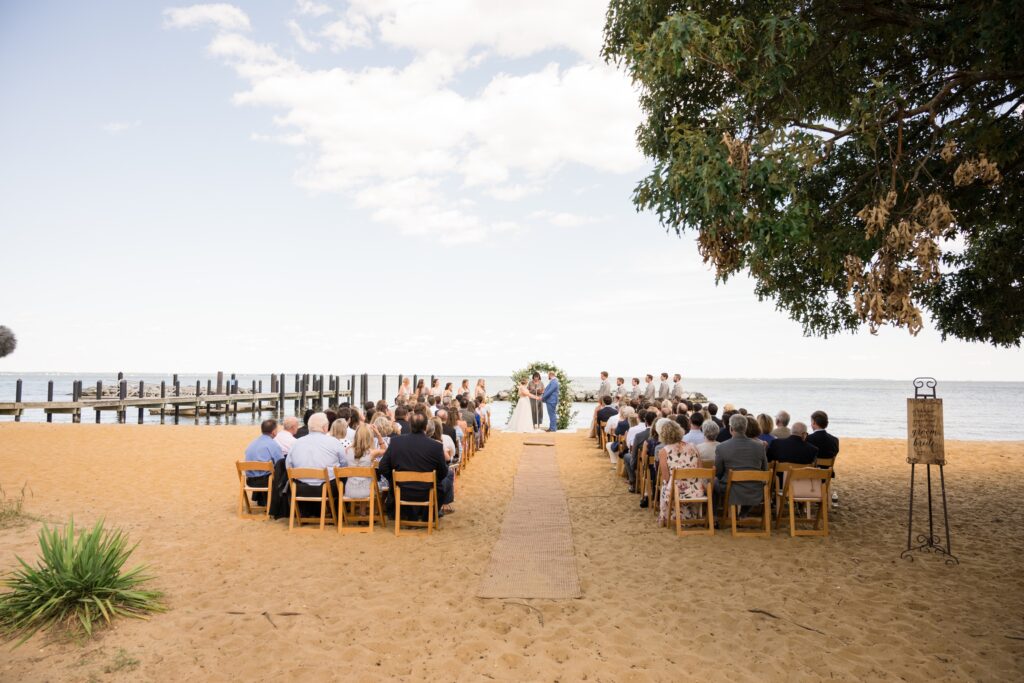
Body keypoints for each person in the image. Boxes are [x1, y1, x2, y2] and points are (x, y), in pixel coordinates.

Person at [377, 412, 449, 521]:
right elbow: (443, 472)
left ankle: (410, 514)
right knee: (442, 487)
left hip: (401, 489)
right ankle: (427, 516)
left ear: (410, 425)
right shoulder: (436, 446)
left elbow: (383, 467)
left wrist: (393, 479)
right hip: (427, 490)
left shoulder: (396, 442)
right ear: (426, 427)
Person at [285, 412, 347, 513]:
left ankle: (310, 511)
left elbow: (288, 466)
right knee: (343, 479)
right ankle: (336, 512)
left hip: (300, 489)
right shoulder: (334, 442)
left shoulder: (296, 443)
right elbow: (344, 464)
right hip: (326, 489)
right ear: (324, 427)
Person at [714, 413, 769, 509]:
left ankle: (714, 515)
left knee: (713, 481)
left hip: (731, 489)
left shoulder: (721, 447)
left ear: (731, 428)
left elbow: (718, 472)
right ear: (745, 427)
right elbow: (765, 469)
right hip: (755, 489)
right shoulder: (760, 446)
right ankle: (742, 514)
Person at [656, 420, 702, 526]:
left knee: (664, 485)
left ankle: (666, 517)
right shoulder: (693, 447)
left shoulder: (664, 451)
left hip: (675, 492)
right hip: (695, 491)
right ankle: (690, 517)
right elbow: (700, 469)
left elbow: (666, 477)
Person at [244, 419, 284, 504]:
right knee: (283, 472)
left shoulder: (252, 442)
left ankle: (261, 500)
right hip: (265, 481)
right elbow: (280, 462)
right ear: (273, 432)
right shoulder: (272, 444)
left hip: (250, 480)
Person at [342, 424, 386, 501]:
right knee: (367, 480)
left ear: (356, 436)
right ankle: (363, 512)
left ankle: (362, 511)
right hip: (367, 490)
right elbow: (385, 450)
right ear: (370, 437)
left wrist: (355, 441)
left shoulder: (347, 450)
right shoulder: (372, 452)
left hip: (349, 490)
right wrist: (378, 434)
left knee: (363, 479)